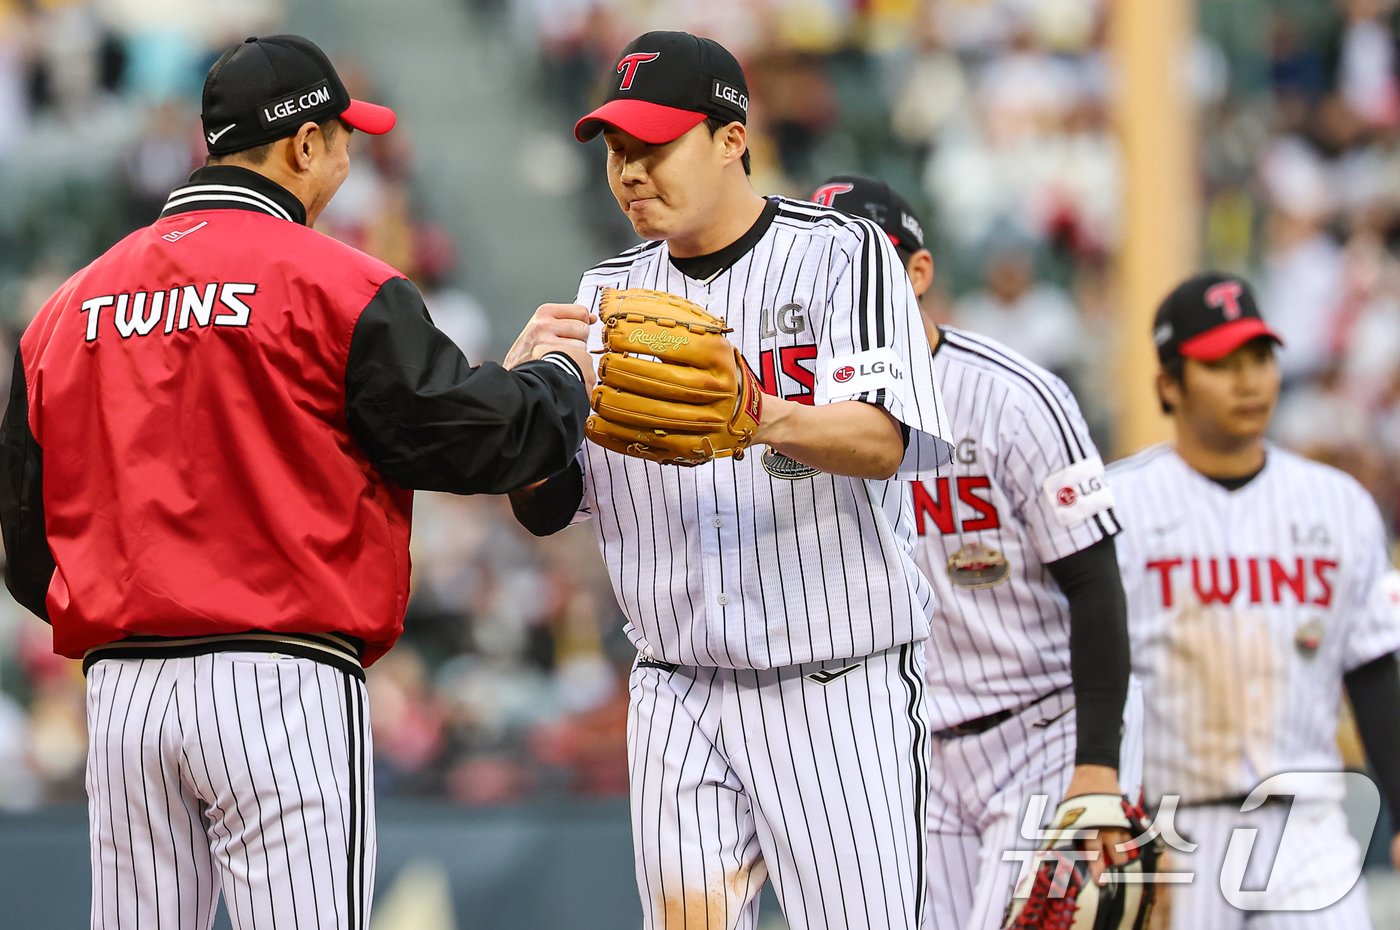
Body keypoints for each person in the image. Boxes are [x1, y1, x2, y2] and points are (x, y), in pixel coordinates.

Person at [0, 34, 593, 930]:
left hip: (123, 694)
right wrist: (561, 381)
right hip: (280, 682)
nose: (353, 157)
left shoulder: (66, 306)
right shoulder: (336, 282)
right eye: (344, 136)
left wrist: (135, 612)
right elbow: (474, 444)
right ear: (303, 145)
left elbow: (27, 547)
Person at [510, 31, 953, 930]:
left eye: (654, 145)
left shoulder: (845, 255)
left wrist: (760, 414)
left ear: (730, 138)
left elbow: (886, 442)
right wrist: (522, 425)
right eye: (616, 151)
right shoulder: (600, 295)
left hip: (835, 687)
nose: (630, 172)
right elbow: (551, 508)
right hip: (675, 688)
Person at [817, 175, 1145, 930]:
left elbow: (1096, 583)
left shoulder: (1014, 397)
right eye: (824, 272)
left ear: (918, 272)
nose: (843, 292)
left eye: (861, 266)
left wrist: (1096, 760)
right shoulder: (804, 421)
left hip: (1037, 735)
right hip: (908, 754)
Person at [1109, 272, 1400, 928]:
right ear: (1168, 384)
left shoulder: (1339, 503)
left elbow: (1374, 667)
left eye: (1261, 359)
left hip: (1309, 828)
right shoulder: (1117, 507)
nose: (1249, 381)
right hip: (1173, 831)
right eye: (1220, 364)